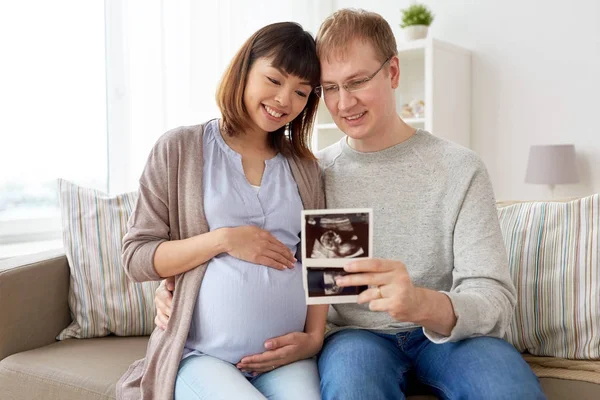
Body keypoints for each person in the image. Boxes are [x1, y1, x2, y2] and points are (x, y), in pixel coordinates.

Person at [155, 9, 547, 400]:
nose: (344, 103)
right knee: (352, 386)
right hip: (356, 338)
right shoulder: (316, 173)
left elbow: (494, 298)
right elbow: (287, 261)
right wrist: (178, 291)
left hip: (451, 340)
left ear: (393, 72)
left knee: (508, 390)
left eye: (357, 82)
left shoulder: (459, 169)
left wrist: (421, 303)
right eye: (329, 88)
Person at [117, 22, 328, 400]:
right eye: (274, 79)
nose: (284, 100)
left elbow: (324, 262)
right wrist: (224, 240)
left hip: (284, 360)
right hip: (201, 355)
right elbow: (136, 257)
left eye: (301, 92)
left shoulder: (306, 166)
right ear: (244, 69)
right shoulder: (180, 148)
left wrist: (313, 339)